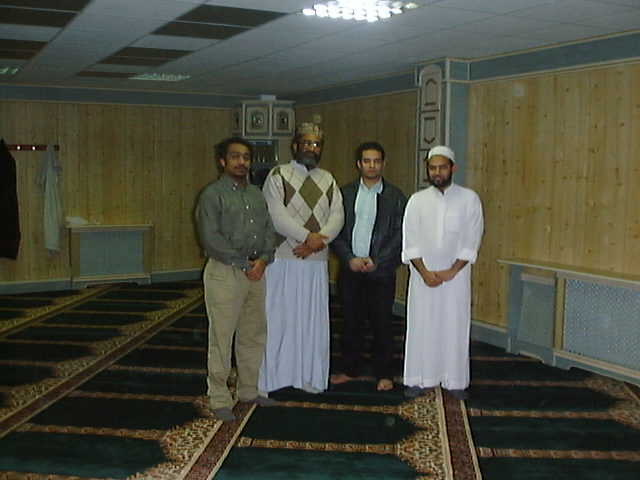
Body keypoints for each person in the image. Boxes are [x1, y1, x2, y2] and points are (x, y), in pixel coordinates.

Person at [195, 137, 278, 422]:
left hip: (257, 271)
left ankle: (248, 390)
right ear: (222, 161)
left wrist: (264, 259)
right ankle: (219, 397)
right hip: (225, 272)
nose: (242, 162)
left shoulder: (256, 194)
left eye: (246, 157)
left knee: (253, 333)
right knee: (222, 337)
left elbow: (268, 230)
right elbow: (211, 238)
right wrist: (244, 264)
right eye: (235, 157)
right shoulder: (212, 195)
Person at [259, 122, 344, 395]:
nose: (311, 148)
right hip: (283, 260)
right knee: (279, 321)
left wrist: (318, 242)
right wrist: (308, 238)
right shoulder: (278, 175)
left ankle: (309, 377)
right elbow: (276, 216)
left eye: (316, 144)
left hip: (315, 263)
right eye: (307, 143)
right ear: (295, 145)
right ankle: (274, 379)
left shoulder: (328, 179)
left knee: (311, 323)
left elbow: (338, 216)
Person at [402, 145, 484, 400]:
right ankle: (417, 378)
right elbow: (410, 242)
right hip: (422, 278)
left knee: (454, 326)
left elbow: (472, 240)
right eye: (432, 168)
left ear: (452, 168)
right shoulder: (416, 201)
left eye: (442, 167)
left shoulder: (469, 199)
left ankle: (455, 380)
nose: (437, 172)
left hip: (455, 279)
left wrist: (451, 271)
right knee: (421, 326)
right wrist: (425, 272)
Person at [330, 141, 407, 391]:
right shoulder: (344, 194)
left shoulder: (395, 197)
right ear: (359, 164)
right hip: (350, 268)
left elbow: (400, 234)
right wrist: (348, 258)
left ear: (383, 164)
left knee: (382, 323)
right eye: (367, 161)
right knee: (350, 321)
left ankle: (384, 373)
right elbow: (334, 230)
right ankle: (350, 369)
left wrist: (378, 261)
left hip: (381, 271)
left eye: (376, 161)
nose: (372, 166)